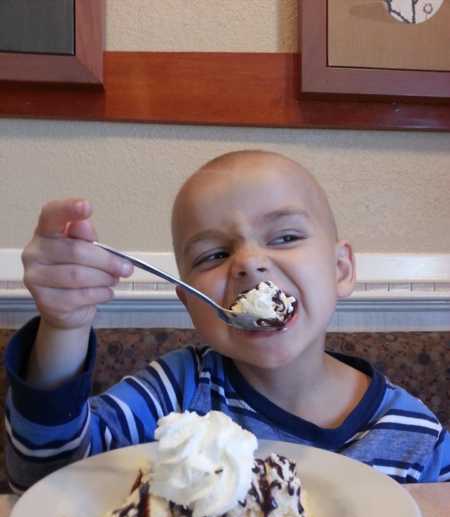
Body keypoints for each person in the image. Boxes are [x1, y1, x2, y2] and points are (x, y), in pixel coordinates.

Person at [5, 150, 450, 492]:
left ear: (341, 270)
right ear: (189, 303)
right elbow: (48, 480)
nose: (250, 263)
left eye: (286, 237)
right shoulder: (175, 393)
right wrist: (64, 325)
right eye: (214, 255)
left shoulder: (417, 437)